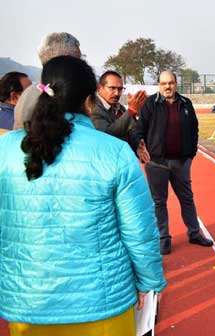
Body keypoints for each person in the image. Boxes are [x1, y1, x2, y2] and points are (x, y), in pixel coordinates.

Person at [0, 56, 166, 335]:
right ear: (89, 101)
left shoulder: (6, 151)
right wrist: (149, 281)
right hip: (102, 304)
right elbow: (139, 229)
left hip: (29, 305)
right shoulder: (114, 152)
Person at [131, 70, 213, 255]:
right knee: (159, 202)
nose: (167, 87)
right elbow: (138, 130)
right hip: (157, 163)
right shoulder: (150, 105)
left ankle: (194, 233)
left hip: (181, 163)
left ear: (176, 84)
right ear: (159, 85)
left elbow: (194, 129)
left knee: (187, 198)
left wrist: (191, 153)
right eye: (163, 83)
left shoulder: (186, 103)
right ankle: (164, 238)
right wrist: (139, 145)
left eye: (171, 83)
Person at [13, 32, 82, 130]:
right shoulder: (59, 94)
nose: (82, 66)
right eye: (79, 60)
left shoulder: (29, 92)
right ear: (66, 60)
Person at [91, 70, 147, 141]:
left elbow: (130, 131)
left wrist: (138, 144)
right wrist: (131, 111)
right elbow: (108, 135)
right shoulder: (93, 108)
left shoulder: (119, 107)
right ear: (100, 88)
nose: (117, 93)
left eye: (120, 89)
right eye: (112, 88)